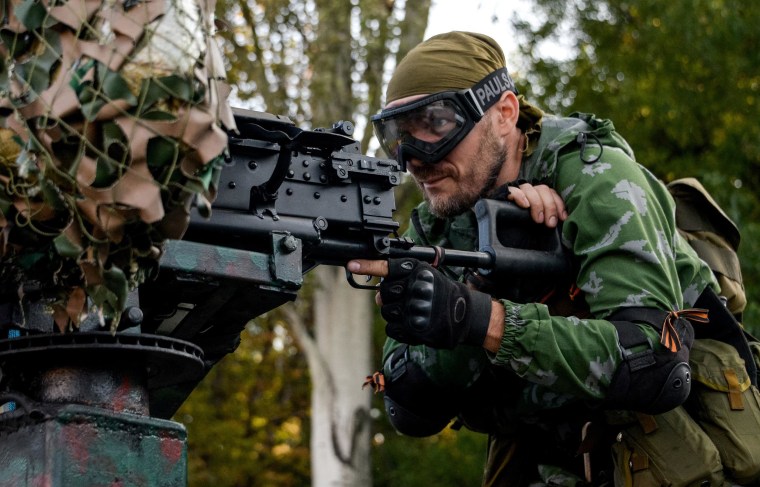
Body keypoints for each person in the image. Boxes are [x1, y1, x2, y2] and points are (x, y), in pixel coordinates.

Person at [347, 31, 729, 485]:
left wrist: (483, 319)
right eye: (397, 136)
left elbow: (659, 365)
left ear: (504, 113)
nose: (416, 159)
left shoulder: (596, 179)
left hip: (665, 460)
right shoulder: (439, 221)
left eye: (435, 124)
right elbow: (410, 411)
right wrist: (459, 308)